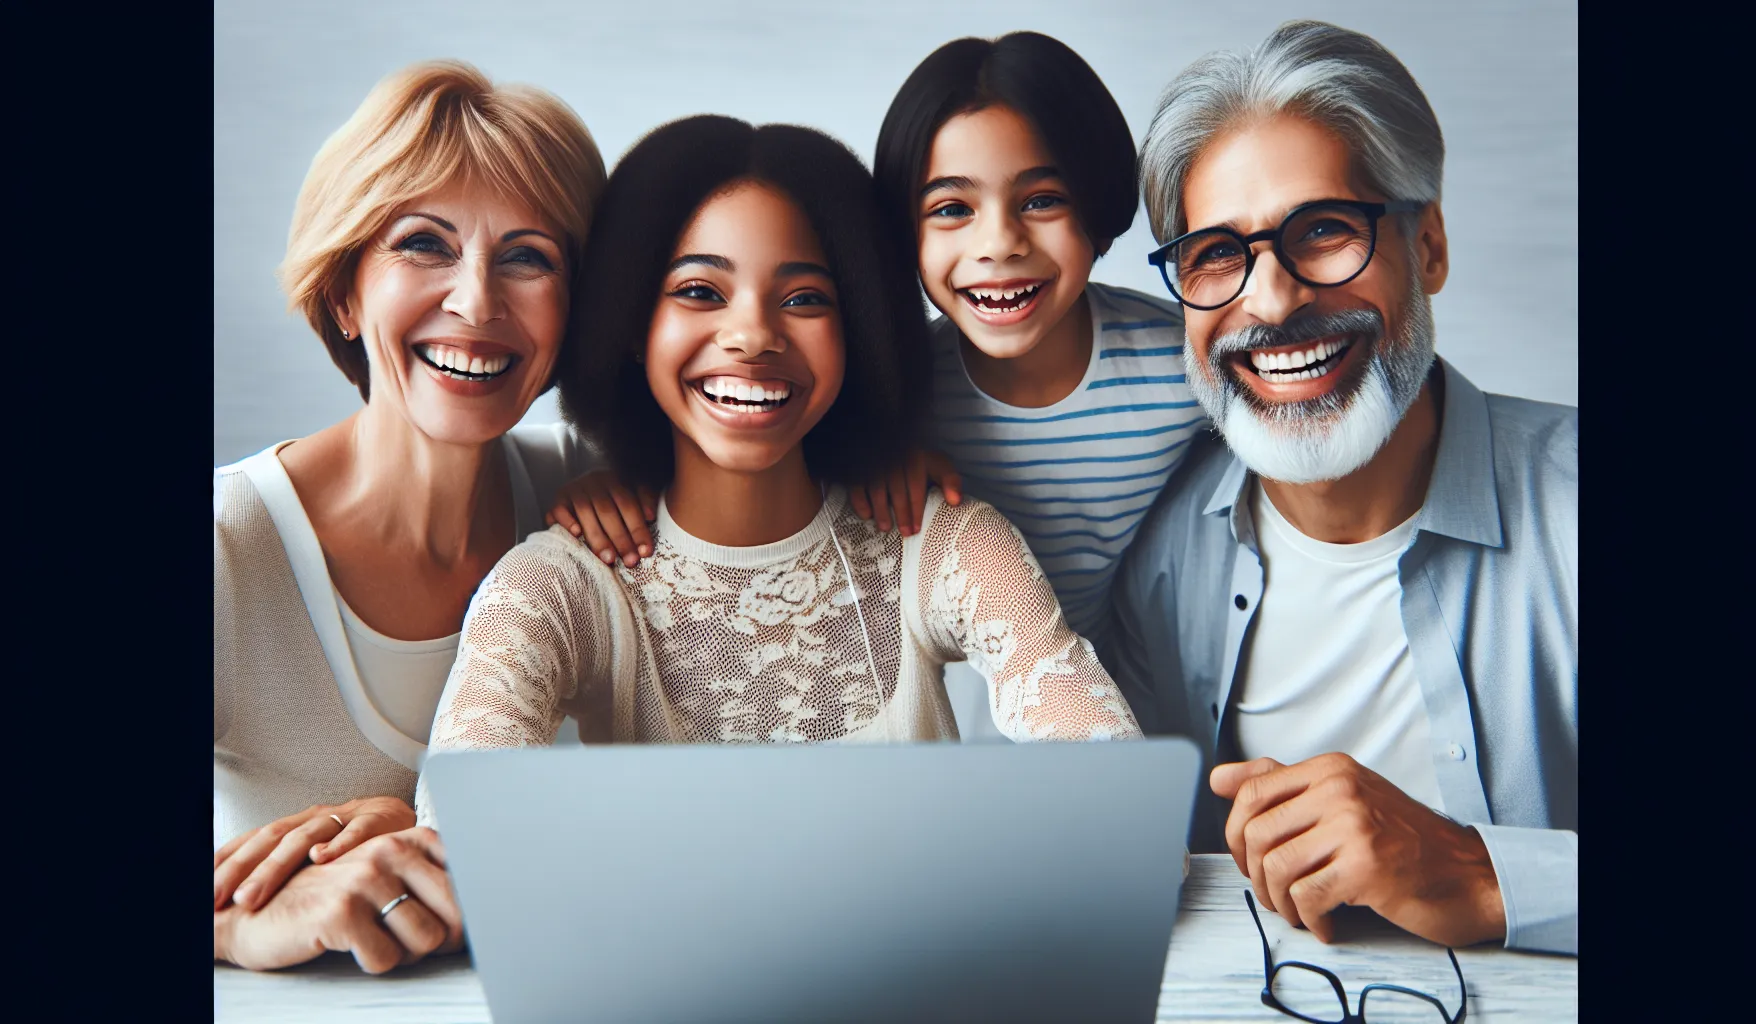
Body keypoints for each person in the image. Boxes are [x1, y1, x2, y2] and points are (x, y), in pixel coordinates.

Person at [412, 115, 1140, 825]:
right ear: (634, 324)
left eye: (805, 299)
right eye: (699, 291)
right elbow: (461, 839)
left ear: (858, 334)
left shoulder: (948, 547)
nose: (753, 336)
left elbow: (1124, 807)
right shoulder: (554, 586)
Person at [546, 34, 1209, 740]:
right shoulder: (898, 389)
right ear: (900, 239)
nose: (1000, 244)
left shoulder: (1184, 363)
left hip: (1131, 693)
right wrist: (606, 478)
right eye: (952, 208)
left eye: (1042, 199)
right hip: (957, 713)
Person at [1109, 20, 1577, 955]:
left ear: (1429, 246)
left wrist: (1477, 874)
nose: (1273, 300)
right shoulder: (1155, 554)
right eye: (1215, 254)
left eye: (1323, 230)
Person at [212, 60, 607, 973]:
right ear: (344, 291)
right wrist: (236, 923)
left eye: (529, 257)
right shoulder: (226, 548)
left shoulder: (595, 501)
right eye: (423, 244)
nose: (477, 302)